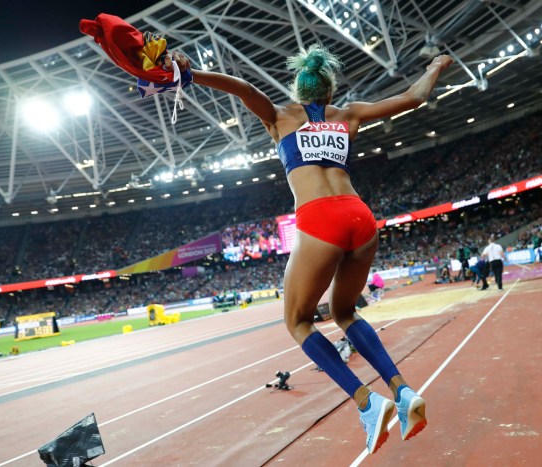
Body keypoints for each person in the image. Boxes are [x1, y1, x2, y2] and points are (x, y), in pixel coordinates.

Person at [171, 45, 452, 454]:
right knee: (345, 312)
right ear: (329, 90)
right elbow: (414, 97)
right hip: (360, 215)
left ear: (298, 90)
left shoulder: (280, 116)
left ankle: (367, 402)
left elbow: (242, 88)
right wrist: (436, 65)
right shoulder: (348, 114)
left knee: (299, 321)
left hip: (320, 218)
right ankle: (403, 391)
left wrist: (191, 73)